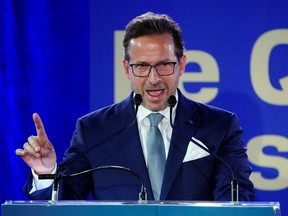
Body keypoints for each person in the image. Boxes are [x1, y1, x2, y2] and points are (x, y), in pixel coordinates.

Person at [16, 12, 255, 201]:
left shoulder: (219, 126)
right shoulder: (94, 129)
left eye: (164, 65)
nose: (153, 79)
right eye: (141, 66)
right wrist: (46, 173)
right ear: (126, 68)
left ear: (182, 65)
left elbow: (237, 198)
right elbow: (65, 201)